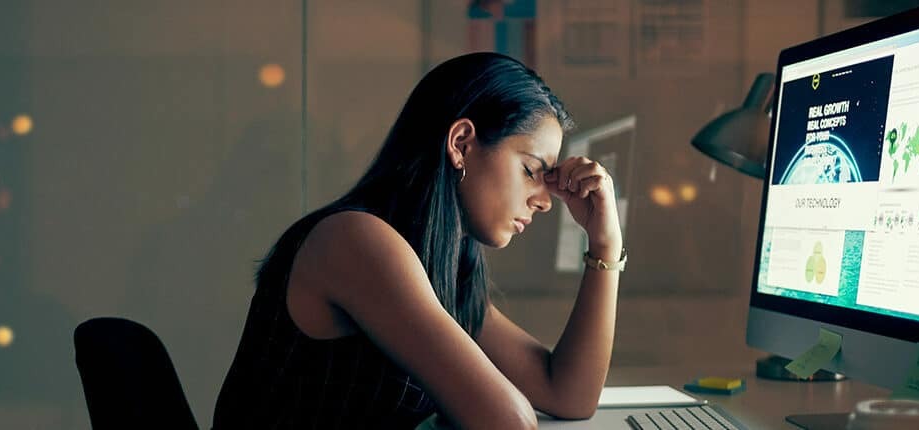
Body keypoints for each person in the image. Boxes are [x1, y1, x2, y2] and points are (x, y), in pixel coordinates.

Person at [213, 52, 623, 430]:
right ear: (461, 144)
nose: (543, 201)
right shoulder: (356, 242)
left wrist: (604, 243)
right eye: (532, 170)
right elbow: (509, 423)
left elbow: (569, 395)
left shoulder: (445, 261)